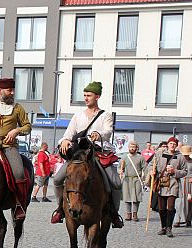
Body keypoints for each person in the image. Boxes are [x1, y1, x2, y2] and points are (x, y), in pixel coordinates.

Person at [51, 81, 123, 228]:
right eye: (84, 95)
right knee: (58, 179)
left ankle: (114, 213)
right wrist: (65, 141)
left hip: (98, 153)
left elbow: (108, 132)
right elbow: (68, 134)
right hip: (79, 154)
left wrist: (99, 134)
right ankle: (60, 209)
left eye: (89, 95)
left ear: (97, 96)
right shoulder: (78, 115)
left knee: (116, 182)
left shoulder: (105, 115)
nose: (86, 98)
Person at [150, 136, 187, 237]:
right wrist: (152, 171)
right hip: (161, 184)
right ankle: (163, 227)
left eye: (174, 144)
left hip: (173, 183)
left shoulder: (180, 156)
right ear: (168, 144)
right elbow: (151, 164)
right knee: (161, 208)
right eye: (171, 143)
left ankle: (169, 228)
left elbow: (184, 171)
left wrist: (175, 171)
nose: (172, 145)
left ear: (176, 146)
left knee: (170, 207)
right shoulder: (160, 154)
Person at [118, 140, 146, 221]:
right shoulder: (124, 157)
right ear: (128, 148)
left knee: (136, 197)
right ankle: (128, 214)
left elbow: (145, 167)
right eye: (130, 147)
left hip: (136, 179)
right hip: (127, 179)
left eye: (133, 147)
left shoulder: (140, 157)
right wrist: (120, 170)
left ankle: (135, 214)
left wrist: (148, 175)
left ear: (136, 148)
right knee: (127, 197)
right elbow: (119, 167)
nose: (132, 148)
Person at [173, 144, 192, 228]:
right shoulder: (178, 159)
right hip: (180, 181)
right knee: (179, 201)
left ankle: (188, 219)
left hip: (189, 183)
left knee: (189, 202)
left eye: (187, 154)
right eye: (184, 154)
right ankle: (178, 219)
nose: (185, 155)